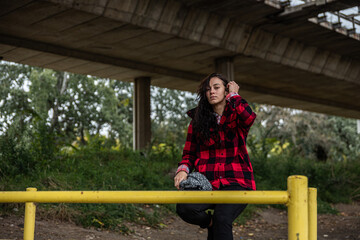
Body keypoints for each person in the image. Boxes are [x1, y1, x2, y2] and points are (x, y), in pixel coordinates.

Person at [174, 73, 256, 240]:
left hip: (236, 181)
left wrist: (234, 94)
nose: (211, 92)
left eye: (216, 87)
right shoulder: (197, 121)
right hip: (208, 184)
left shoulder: (237, 115)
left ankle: (216, 224)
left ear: (226, 90)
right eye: (208, 89)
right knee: (185, 208)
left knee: (222, 219)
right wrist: (182, 170)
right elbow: (189, 153)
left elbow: (249, 117)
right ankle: (211, 224)